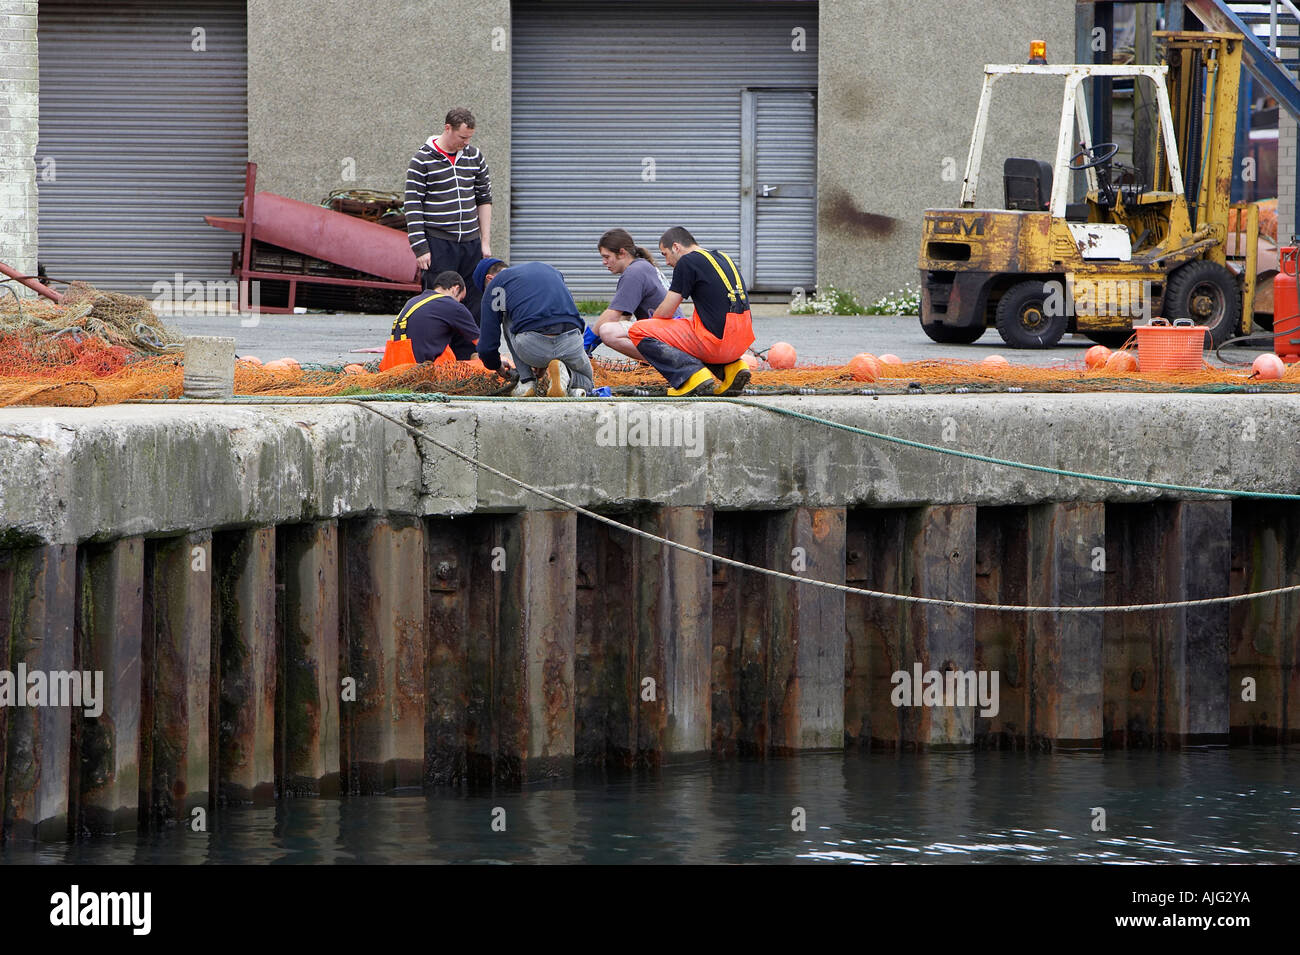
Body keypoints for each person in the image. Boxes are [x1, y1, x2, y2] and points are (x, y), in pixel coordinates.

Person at [627, 226, 755, 396]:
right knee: (691, 325)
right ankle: (732, 369)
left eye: (665, 254)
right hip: (741, 341)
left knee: (638, 330)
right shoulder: (724, 257)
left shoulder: (686, 262)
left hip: (716, 343)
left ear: (676, 247)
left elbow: (666, 311)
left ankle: (689, 376)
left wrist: (654, 322)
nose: (666, 262)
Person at [404, 107, 493, 319]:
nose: (466, 143)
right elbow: (413, 204)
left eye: (470, 137)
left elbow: (484, 198)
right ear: (447, 128)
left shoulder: (475, 156)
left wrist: (485, 241)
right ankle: (439, 348)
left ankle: (471, 350)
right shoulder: (422, 160)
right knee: (439, 300)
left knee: (473, 297)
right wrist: (420, 247)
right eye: (462, 137)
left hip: (470, 242)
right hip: (439, 242)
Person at [474, 257, 594, 397]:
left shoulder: (496, 284)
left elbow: (487, 347)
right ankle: (567, 378)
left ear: (490, 279)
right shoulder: (550, 270)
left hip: (532, 348)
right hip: (572, 343)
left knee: (507, 314)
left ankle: (527, 382)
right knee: (587, 383)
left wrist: (495, 365)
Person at [590, 228, 682, 361]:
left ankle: (669, 361)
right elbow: (623, 318)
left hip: (672, 342)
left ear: (622, 253)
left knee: (607, 331)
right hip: (675, 335)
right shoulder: (643, 266)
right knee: (615, 326)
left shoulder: (634, 272)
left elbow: (613, 314)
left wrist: (588, 340)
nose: (604, 262)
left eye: (606, 256)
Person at [379, 271, 483, 371]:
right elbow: (481, 343)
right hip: (418, 369)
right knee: (478, 365)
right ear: (456, 289)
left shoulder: (413, 301)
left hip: (392, 365)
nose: (460, 302)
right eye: (461, 298)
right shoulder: (453, 306)